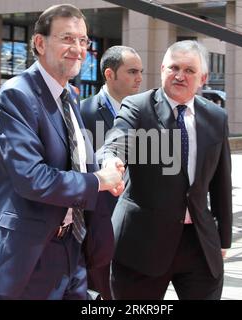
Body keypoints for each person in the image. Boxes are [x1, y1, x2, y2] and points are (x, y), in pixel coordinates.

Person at [0, 4, 124, 300]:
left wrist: (107, 166)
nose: (78, 49)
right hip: (30, 258)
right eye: (67, 38)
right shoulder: (18, 94)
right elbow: (32, 178)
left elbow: (77, 159)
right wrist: (98, 182)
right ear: (40, 43)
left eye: (83, 41)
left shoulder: (68, 95)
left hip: (72, 249)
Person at [101, 40, 233, 300]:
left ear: (203, 78)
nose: (180, 75)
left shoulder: (216, 117)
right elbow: (118, 138)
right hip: (142, 244)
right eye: (173, 67)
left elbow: (221, 182)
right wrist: (111, 160)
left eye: (189, 70)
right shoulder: (138, 107)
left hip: (198, 243)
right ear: (162, 69)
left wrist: (223, 237)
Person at [80, 45, 143, 299]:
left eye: (141, 71)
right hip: (98, 226)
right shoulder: (83, 112)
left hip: (137, 226)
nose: (139, 77)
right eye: (132, 71)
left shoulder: (145, 111)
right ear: (109, 74)